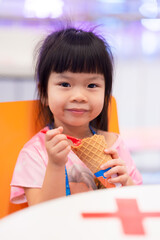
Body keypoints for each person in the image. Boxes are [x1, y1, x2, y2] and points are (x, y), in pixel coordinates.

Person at [10, 26, 142, 206]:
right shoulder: (35, 152)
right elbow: (41, 217)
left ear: (105, 93)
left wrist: (126, 183)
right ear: (44, 94)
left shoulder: (114, 146)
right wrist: (55, 165)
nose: (79, 96)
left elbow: (139, 204)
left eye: (92, 85)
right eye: (65, 84)